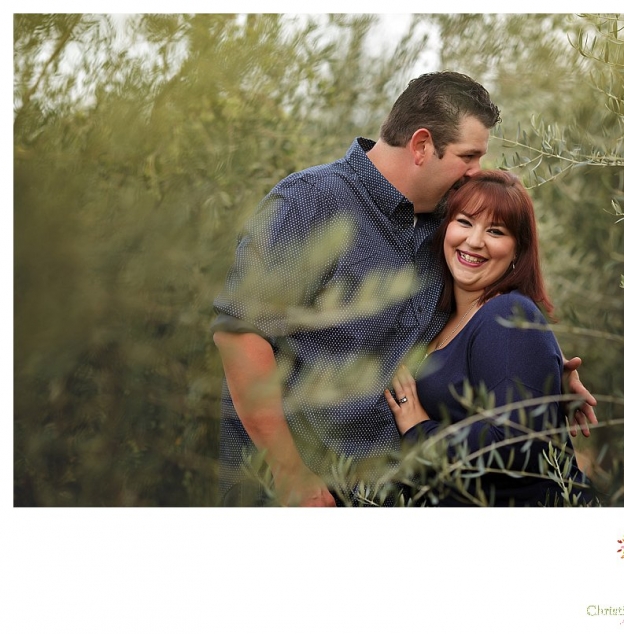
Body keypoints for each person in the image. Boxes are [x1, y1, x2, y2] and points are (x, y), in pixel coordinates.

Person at [212, 71, 597, 507]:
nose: (476, 172)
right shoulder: (311, 202)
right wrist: (290, 476)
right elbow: (240, 335)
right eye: (469, 157)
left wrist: (545, 373)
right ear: (421, 146)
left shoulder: (443, 227)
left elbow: (471, 322)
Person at [385, 170, 591, 506]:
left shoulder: (508, 314)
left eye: (495, 231)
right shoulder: (445, 317)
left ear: (517, 251)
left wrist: (420, 431)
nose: (475, 241)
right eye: (465, 222)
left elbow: (514, 445)